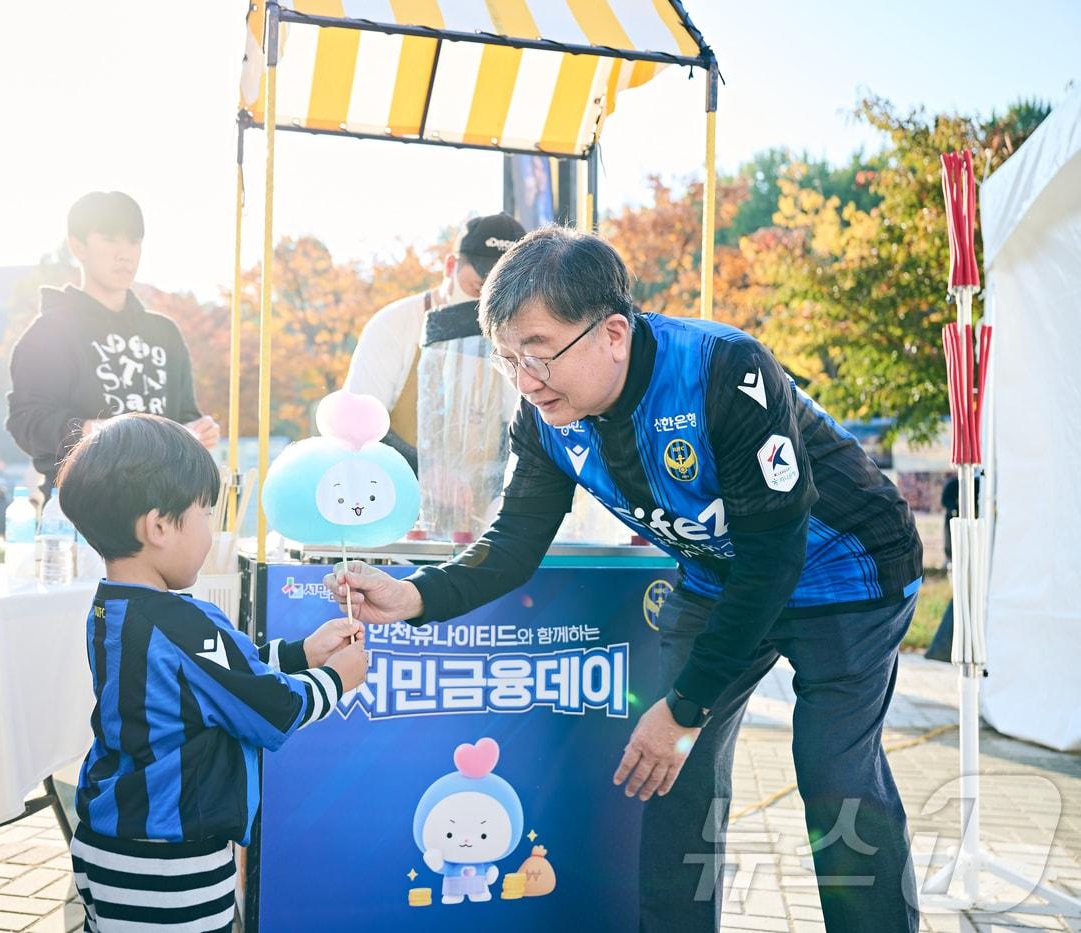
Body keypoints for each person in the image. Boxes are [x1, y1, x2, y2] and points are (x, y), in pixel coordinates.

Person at [327, 227, 925, 932]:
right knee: (671, 777)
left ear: (613, 332)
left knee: (833, 775)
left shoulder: (722, 368)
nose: (525, 380)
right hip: (719, 571)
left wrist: (683, 707)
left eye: (540, 352)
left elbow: (773, 558)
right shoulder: (545, 415)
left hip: (845, 573)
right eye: (508, 359)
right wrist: (418, 594)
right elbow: (515, 541)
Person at [55, 414, 368, 931]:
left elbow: (215, 682)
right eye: (204, 514)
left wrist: (302, 653)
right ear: (157, 527)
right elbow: (274, 708)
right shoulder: (184, 622)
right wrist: (338, 677)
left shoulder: (112, 608)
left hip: (107, 839)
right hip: (169, 857)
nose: (212, 529)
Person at [6, 191, 219, 498]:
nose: (125, 253)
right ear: (78, 246)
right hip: (83, 510)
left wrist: (199, 429)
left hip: (164, 505)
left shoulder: (164, 333)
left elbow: (183, 416)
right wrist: (89, 431)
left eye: (133, 241)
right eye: (109, 239)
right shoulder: (51, 331)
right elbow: (26, 421)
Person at [343, 213, 522, 473]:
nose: (487, 306)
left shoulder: (520, 340)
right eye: (478, 288)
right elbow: (358, 424)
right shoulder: (394, 325)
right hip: (396, 495)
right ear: (450, 266)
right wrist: (431, 473)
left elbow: (519, 434)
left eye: (502, 296)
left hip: (485, 504)